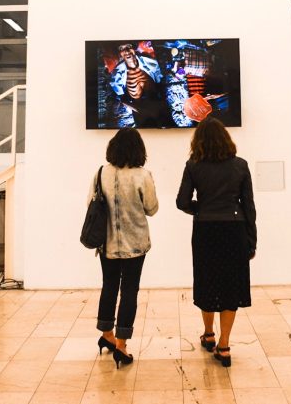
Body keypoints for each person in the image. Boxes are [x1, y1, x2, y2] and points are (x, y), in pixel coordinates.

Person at [176, 117, 256, 368]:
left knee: (207, 280)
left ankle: (209, 334)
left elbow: (181, 202)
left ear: (198, 141)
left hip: (205, 230)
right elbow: (249, 207)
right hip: (235, 229)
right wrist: (251, 240)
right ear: (226, 140)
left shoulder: (193, 165)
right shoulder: (240, 165)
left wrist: (201, 209)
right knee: (231, 286)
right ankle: (224, 344)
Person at [89, 127, 159, 368]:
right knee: (129, 291)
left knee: (109, 286)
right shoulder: (143, 175)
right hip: (135, 244)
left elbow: (90, 203)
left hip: (106, 243)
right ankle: (121, 345)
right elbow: (152, 209)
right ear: (139, 150)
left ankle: (106, 334)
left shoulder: (100, 173)